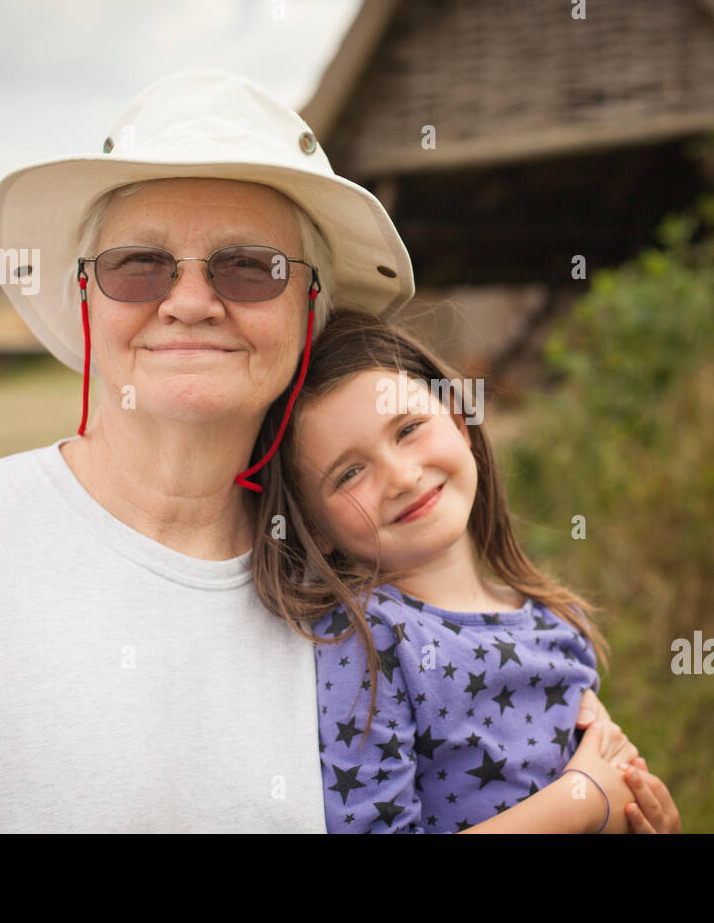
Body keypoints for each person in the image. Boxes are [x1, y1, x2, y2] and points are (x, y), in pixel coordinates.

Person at [0, 69, 649, 832]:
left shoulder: (357, 608)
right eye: (139, 265)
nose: (191, 300)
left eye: (248, 267)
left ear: (308, 311)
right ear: (87, 299)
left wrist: (608, 797)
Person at [251, 311, 682, 833]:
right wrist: (581, 799)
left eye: (409, 429)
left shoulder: (555, 623)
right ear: (314, 527)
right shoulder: (366, 640)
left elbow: (618, 786)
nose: (403, 477)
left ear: (459, 423)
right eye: (350, 473)